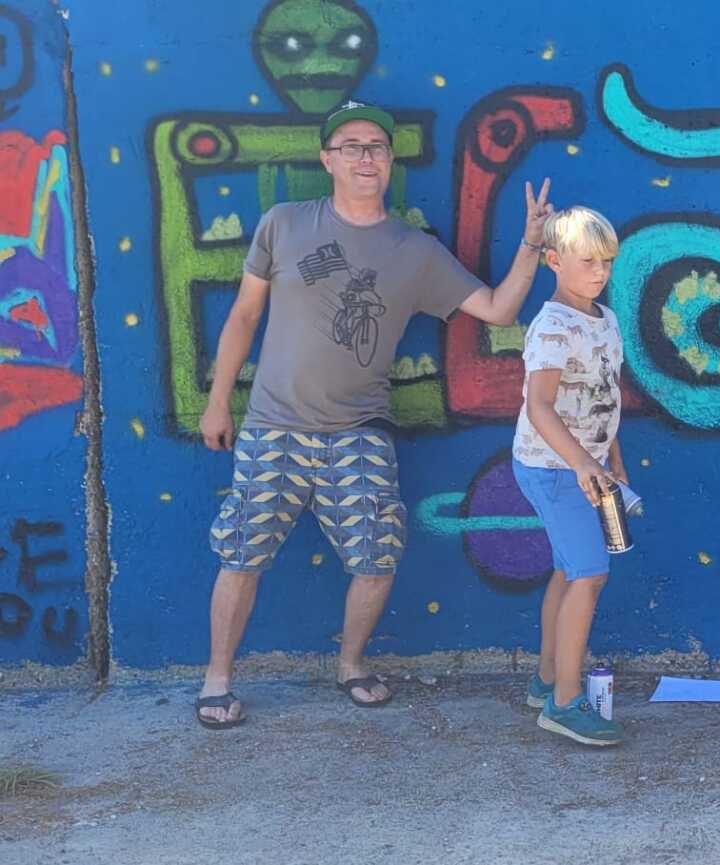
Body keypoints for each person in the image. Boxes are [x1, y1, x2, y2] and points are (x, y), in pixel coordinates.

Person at [194, 100, 554, 729]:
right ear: (328, 159)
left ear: (389, 162)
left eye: (378, 148)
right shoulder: (284, 223)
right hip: (273, 427)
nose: (367, 157)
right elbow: (245, 316)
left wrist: (530, 244)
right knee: (241, 554)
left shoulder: (414, 250)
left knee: (377, 556)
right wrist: (218, 400)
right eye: (353, 147)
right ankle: (217, 678)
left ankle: (352, 664)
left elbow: (498, 309)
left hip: (358, 432)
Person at [510, 206, 628, 746]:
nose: (600, 272)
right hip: (554, 468)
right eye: (588, 261)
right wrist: (583, 462)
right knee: (590, 574)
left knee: (567, 570)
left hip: (585, 468)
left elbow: (605, 396)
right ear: (554, 261)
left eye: (607, 261)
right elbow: (539, 406)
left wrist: (611, 459)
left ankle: (545, 680)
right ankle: (564, 703)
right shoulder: (553, 327)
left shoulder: (604, 318)